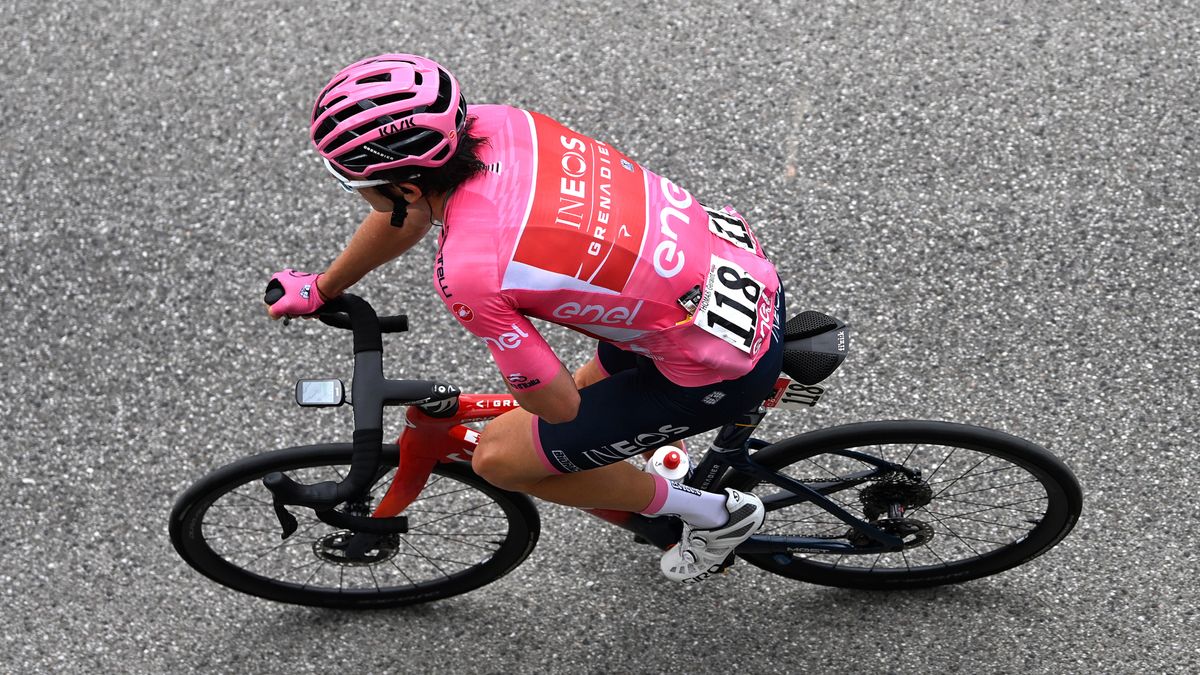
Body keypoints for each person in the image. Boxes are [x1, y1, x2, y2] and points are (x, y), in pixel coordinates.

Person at [267, 54, 785, 583]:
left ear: (405, 186)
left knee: (500, 459)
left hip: (714, 366)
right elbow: (406, 213)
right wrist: (324, 287)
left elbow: (557, 407)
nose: (361, 195)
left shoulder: (471, 270)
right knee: (579, 402)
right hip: (723, 274)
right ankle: (654, 470)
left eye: (357, 184)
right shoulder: (500, 123)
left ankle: (716, 516)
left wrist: (517, 368)